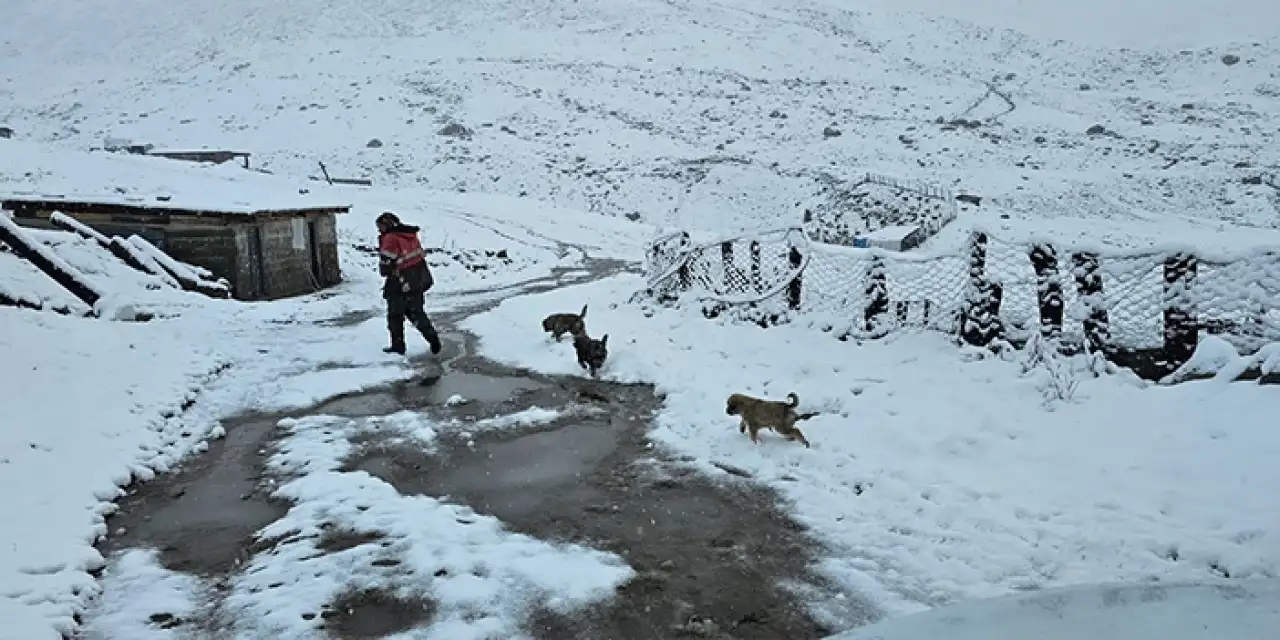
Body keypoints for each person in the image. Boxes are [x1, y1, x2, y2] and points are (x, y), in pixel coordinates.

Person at [376, 211, 442, 355]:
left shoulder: (390, 238)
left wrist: (385, 265)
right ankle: (432, 337)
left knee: (395, 316)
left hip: (398, 281)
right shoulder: (410, 236)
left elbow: (386, 266)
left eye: (380, 227)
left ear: (387, 225)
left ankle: (398, 346)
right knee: (416, 312)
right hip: (416, 279)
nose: (379, 230)